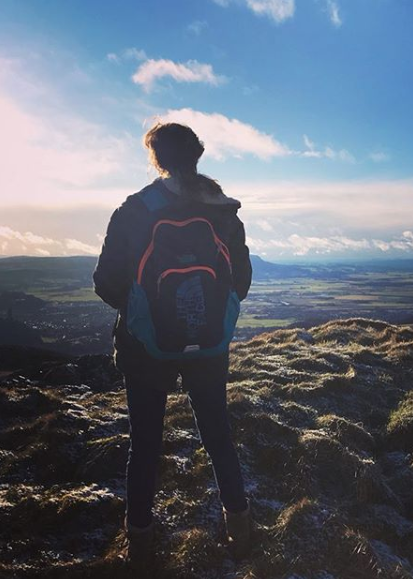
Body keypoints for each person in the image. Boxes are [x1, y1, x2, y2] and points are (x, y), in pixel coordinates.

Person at [93, 122, 253, 568]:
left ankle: (140, 544)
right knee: (219, 435)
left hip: (145, 347)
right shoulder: (223, 211)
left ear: (156, 159)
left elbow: (105, 282)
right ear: (197, 156)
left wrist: (146, 313)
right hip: (209, 344)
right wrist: (205, 315)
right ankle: (240, 531)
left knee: (144, 443)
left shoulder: (134, 210)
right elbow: (241, 280)